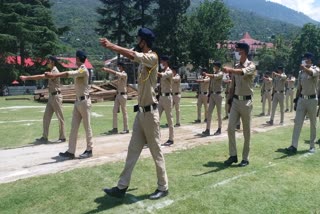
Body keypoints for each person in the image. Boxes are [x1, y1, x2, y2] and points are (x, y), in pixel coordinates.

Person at [100, 28, 169, 200]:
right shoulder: (143, 60)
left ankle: (163, 186)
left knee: (156, 152)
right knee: (132, 150)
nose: (137, 41)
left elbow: (131, 54)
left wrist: (112, 46)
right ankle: (122, 187)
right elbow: (133, 56)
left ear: (144, 41)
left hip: (151, 114)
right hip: (141, 114)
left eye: (139, 39)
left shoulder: (152, 57)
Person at [45, 50, 93, 159]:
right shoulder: (80, 69)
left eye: (75, 57)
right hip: (78, 102)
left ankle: (89, 150)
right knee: (73, 128)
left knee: (87, 127)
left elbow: (69, 74)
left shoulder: (83, 69)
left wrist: (55, 74)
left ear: (78, 58)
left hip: (84, 102)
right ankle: (71, 151)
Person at [222, 42, 256, 167]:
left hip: (246, 101)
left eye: (238, 50)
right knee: (230, 128)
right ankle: (233, 155)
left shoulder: (251, 66)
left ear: (244, 52)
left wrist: (230, 70)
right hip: (236, 101)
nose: (236, 52)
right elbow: (233, 86)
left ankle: (245, 158)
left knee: (246, 131)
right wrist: (229, 101)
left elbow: (242, 72)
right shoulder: (236, 65)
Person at [20, 56, 66, 143]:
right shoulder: (52, 71)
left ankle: (62, 137)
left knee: (60, 118)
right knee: (46, 117)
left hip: (56, 97)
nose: (47, 63)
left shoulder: (55, 71)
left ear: (52, 62)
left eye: (48, 61)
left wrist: (26, 77)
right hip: (51, 97)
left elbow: (40, 77)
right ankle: (44, 137)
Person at [285, 52, 319, 154]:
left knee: (313, 123)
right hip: (302, 99)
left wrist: (304, 68)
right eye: (303, 58)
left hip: (312, 99)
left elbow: (312, 73)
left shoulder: (316, 69)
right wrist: (296, 100)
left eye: (306, 58)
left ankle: (312, 146)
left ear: (310, 59)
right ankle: (293, 145)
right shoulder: (301, 73)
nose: (304, 60)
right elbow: (299, 88)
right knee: (297, 123)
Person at [102, 62, 129, 134]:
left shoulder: (124, 74)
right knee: (114, 111)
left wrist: (107, 70)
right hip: (118, 95)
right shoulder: (120, 75)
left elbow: (115, 73)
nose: (118, 68)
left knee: (124, 112)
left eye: (119, 66)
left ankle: (126, 128)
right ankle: (115, 128)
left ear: (122, 67)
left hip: (123, 95)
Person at [202, 61, 223, 136]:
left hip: (218, 94)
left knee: (219, 113)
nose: (214, 67)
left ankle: (219, 128)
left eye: (215, 66)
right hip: (212, 94)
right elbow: (211, 84)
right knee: (209, 112)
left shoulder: (220, 73)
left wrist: (207, 74)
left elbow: (215, 76)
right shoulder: (213, 73)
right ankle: (207, 129)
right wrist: (209, 94)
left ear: (217, 66)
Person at [158, 55, 174, 146]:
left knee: (169, 119)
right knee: (156, 118)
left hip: (168, 98)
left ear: (166, 62)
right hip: (161, 97)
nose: (161, 63)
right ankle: (157, 138)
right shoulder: (163, 71)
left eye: (162, 62)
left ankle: (171, 139)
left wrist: (152, 70)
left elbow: (161, 75)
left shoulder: (169, 72)